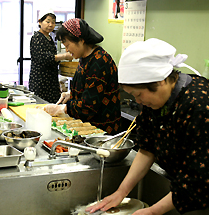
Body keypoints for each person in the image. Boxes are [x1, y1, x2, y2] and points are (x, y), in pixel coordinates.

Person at [86, 38, 209, 215]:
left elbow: (199, 179)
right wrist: (121, 192)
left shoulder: (199, 105)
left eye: (138, 94)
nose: (138, 101)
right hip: (183, 190)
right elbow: (147, 148)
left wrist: (152, 212)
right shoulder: (158, 103)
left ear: (159, 81)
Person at [44, 18, 121, 135]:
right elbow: (89, 87)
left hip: (101, 132)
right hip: (88, 127)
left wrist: (63, 108)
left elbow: (88, 107)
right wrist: (71, 93)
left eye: (68, 45)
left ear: (81, 40)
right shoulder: (84, 57)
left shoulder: (99, 61)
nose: (67, 50)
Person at [29, 12, 73, 103]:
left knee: (52, 105)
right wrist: (64, 56)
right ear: (40, 22)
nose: (51, 25)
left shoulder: (49, 38)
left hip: (51, 79)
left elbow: (53, 58)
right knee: (41, 106)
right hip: (40, 80)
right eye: (47, 21)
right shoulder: (37, 37)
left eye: (53, 22)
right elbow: (43, 58)